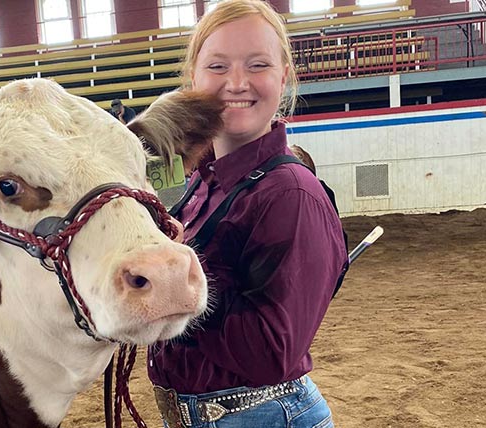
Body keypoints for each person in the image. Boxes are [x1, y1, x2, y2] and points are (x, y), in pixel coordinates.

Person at [148, 1, 348, 427]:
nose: (236, 83)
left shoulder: (292, 195)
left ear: (283, 76)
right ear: (194, 79)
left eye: (257, 64)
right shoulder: (203, 183)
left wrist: (176, 279)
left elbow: (272, 352)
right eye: (217, 67)